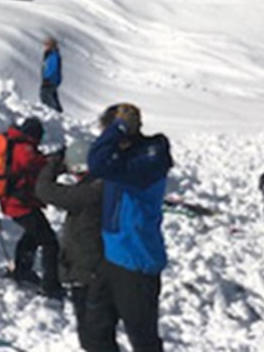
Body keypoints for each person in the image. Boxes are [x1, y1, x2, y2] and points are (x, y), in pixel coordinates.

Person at [84, 103, 173, 352]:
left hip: (137, 262)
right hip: (110, 259)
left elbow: (97, 163)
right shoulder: (123, 158)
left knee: (143, 340)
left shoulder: (150, 156)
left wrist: (119, 127)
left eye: (110, 133)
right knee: (95, 332)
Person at [36, 139, 104, 348]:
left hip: (88, 269)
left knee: (92, 335)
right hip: (101, 267)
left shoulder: (89, 192)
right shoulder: (105, 182)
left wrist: (54, 164)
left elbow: (45, 190)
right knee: (99, 333)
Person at [0, 117, 62, 298]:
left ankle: (22, 270)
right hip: (19, 204)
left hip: (14, 202)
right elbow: (36, 164)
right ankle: (50, 285)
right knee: (49, 242)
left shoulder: (14, 143)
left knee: (33, 234)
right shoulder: (24, 148)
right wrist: (57, 160)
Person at [41, 36, 63, 112]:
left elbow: (54, 69)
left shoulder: (54, 55)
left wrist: (48, 78)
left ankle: (55, 112)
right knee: (51, 96)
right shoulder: (48, 55)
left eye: (46, 44)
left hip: (51, 80)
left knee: (45, 95)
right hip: (48, 79)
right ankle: (57, 112)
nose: (44, 47)